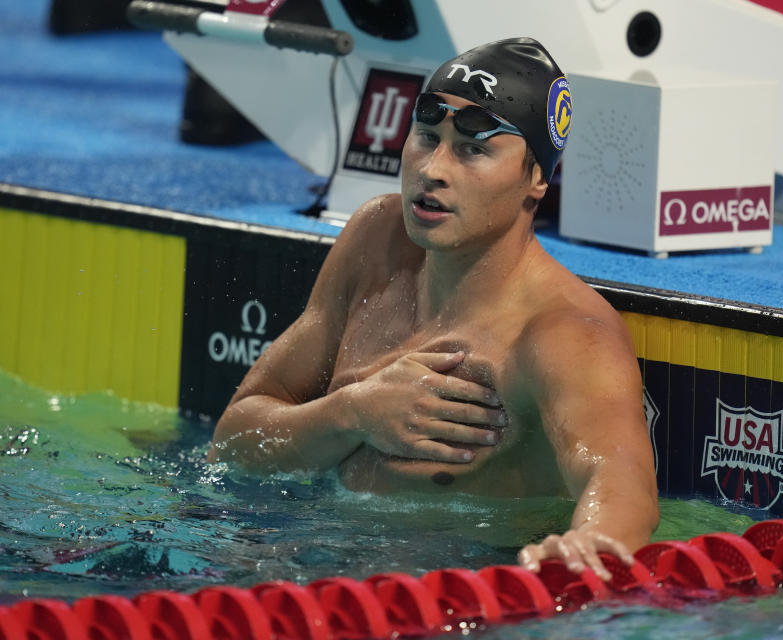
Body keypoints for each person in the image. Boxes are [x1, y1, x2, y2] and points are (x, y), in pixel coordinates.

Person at [209, 37, 659, 580]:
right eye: (427, 137)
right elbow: (233, 444)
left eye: (473, 149)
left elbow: (619, 479)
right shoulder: (377, 239)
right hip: (305, 555)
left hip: (456, 591)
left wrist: (590, 543)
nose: (434, 168)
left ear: (536, 178)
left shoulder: (560, 332)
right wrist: (354, 412)